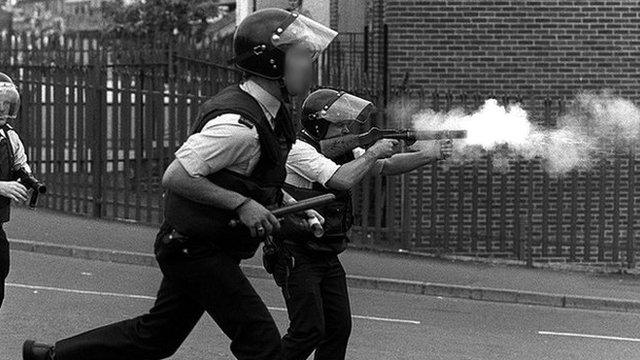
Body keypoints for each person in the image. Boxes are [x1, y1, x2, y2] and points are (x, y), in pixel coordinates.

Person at [22, 9, 337, 360]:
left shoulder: (272, 115)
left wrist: (296, 205)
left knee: (156, 338)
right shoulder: (238, 125)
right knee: (261, 343)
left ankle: (50, 357)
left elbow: (256, 181)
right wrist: (241, 204)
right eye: (301, 55)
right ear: (271, 62)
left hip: (200, 244)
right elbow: (177, 175)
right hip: (194, 248)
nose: (310, 64)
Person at [273, 89, 454, 360]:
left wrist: (431, 154)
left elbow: (385, 166)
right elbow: (341, 180)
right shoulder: (299, 150)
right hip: (297, 251)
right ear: (320, 123)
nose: (347, 128)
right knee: (307, 330)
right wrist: (371, 154)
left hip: (326, 250)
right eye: (339, 123)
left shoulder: (343, 148)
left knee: (338, 328)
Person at [0, 72, 34, 310]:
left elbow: (20, 165)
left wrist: (27, 181)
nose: (3, 110)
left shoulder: (9, 137)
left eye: (6, 104)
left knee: (1, 267)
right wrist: (2, 187)